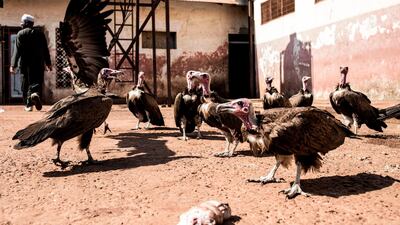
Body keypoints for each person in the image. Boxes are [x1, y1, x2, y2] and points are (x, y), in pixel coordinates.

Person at [10, 14, 52, 112]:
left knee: (25, 84)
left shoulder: (21, 34)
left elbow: (17, 51)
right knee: (36, 82)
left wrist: (13, 65)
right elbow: (45, 50)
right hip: (38, 64)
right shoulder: (40, 34)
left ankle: (28, 105)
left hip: (25, 64)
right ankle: (35, 94)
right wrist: (48, 63)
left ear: (25, 24)